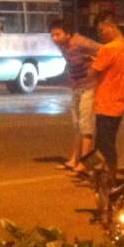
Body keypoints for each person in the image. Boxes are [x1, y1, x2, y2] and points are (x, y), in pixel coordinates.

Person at [88, 11, 124, 184]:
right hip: (120, 101)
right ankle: (100, 174)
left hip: (106, 102)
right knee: (107, 141)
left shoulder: (108, 48)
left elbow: (92, 73)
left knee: (104, 144)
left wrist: (91, 63)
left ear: (111, 26)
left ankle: (109, 177)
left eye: (101, 30)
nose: (100, 35)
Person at [49, 19, 102, 174]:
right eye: (52, 35)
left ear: (68, 33)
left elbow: (105, 51)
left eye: (57, 34)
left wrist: (96, 66)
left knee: (86, 125)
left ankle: (85, 163)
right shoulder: (63, 46)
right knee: (77, 124)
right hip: (76, 87)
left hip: (89, 87)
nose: (54, 38)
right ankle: (75, 159)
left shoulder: (81, 42)